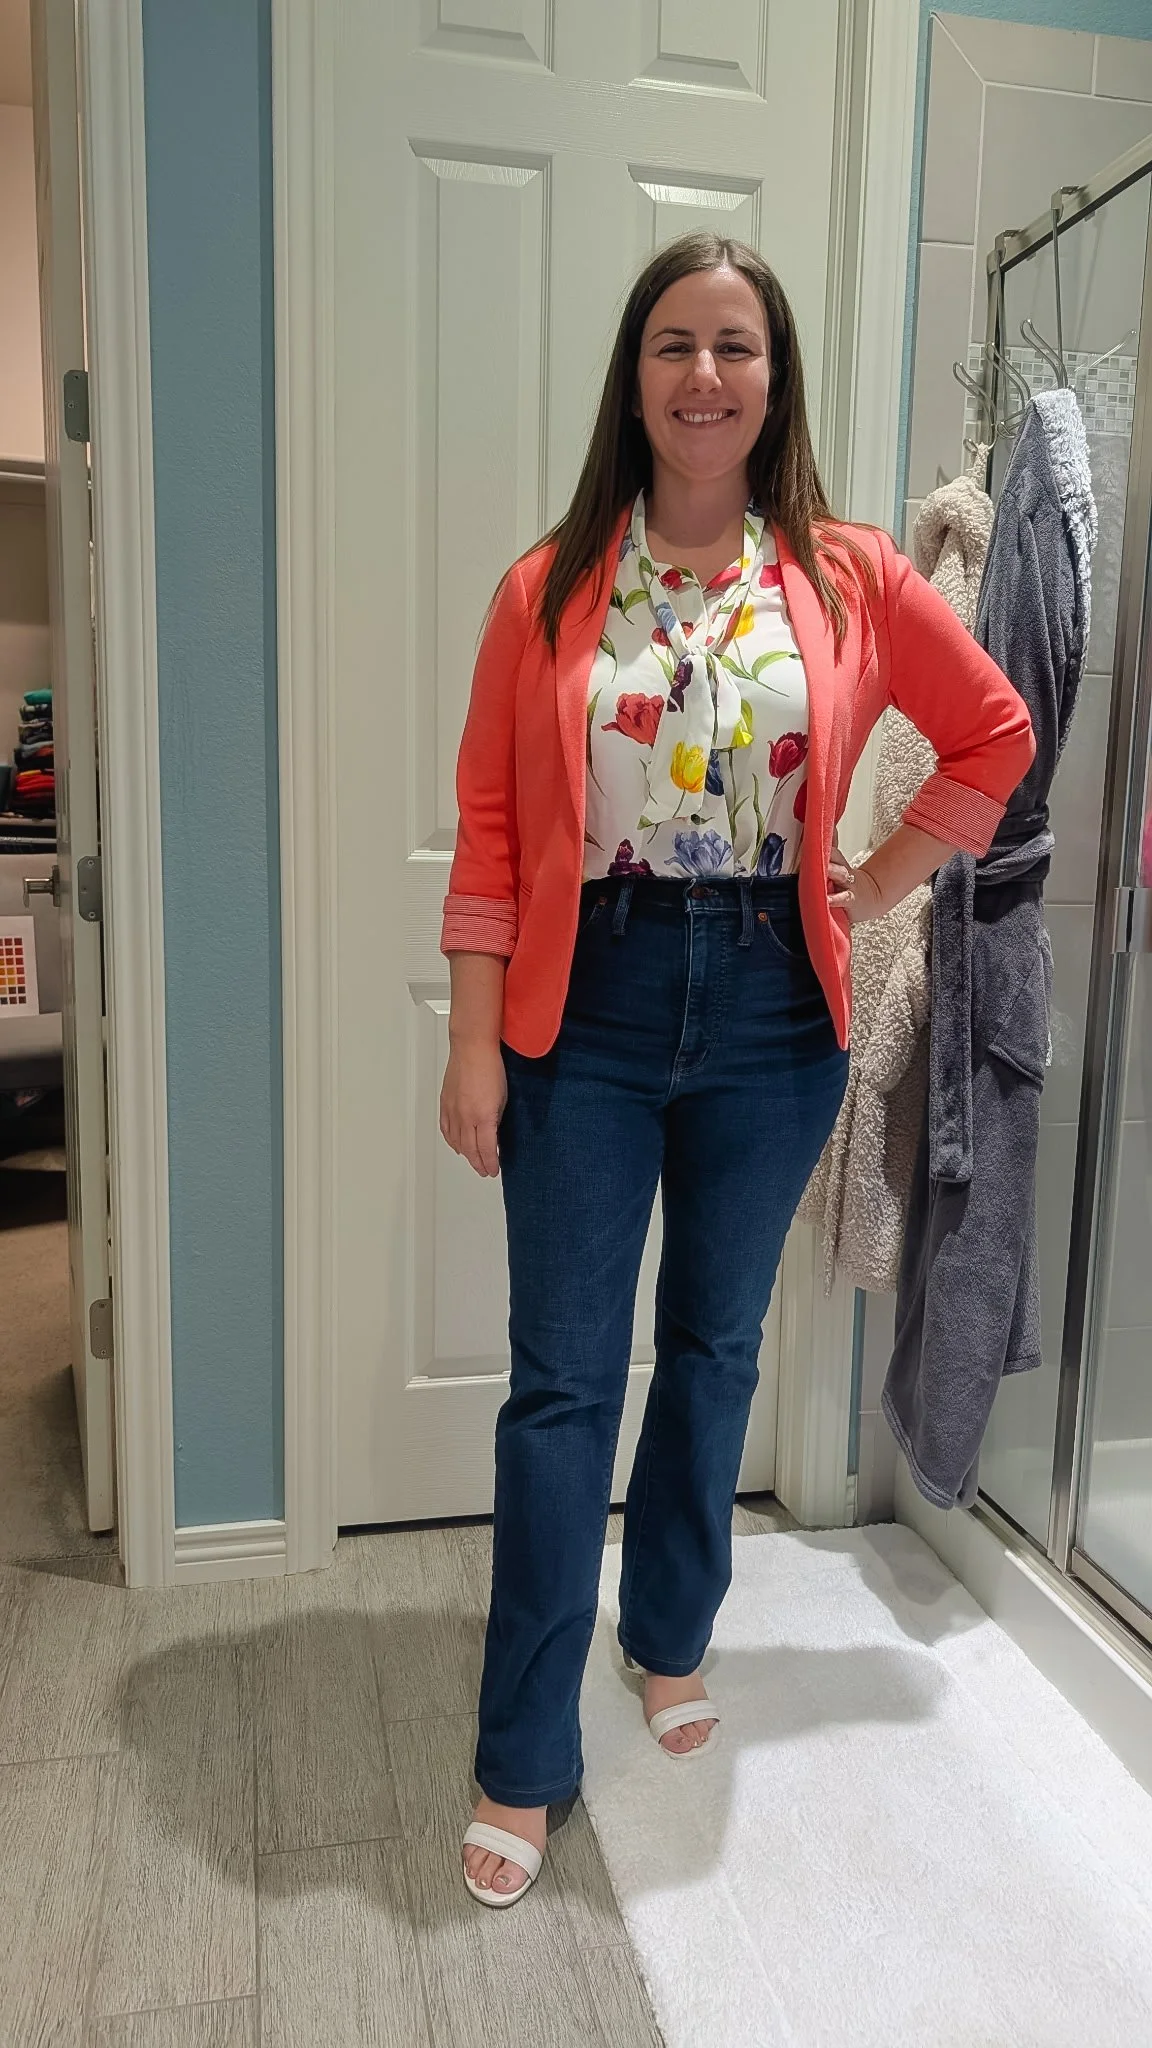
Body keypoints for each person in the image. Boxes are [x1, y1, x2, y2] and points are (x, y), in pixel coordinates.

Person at [439, 232, 1034, 1908]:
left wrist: (870, 883)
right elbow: (491, 835)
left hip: (776, 1005)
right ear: (633, 377)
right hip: (591, 1003)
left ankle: (674, 1636)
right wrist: (474, 1043)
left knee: (710, 1351)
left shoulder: (843, 574)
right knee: (561, 1386)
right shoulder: (546, 587)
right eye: (675, 345)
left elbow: (992, 732)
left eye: (738, 346)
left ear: (774, 381)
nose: (707, 375)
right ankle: (522, 1755)